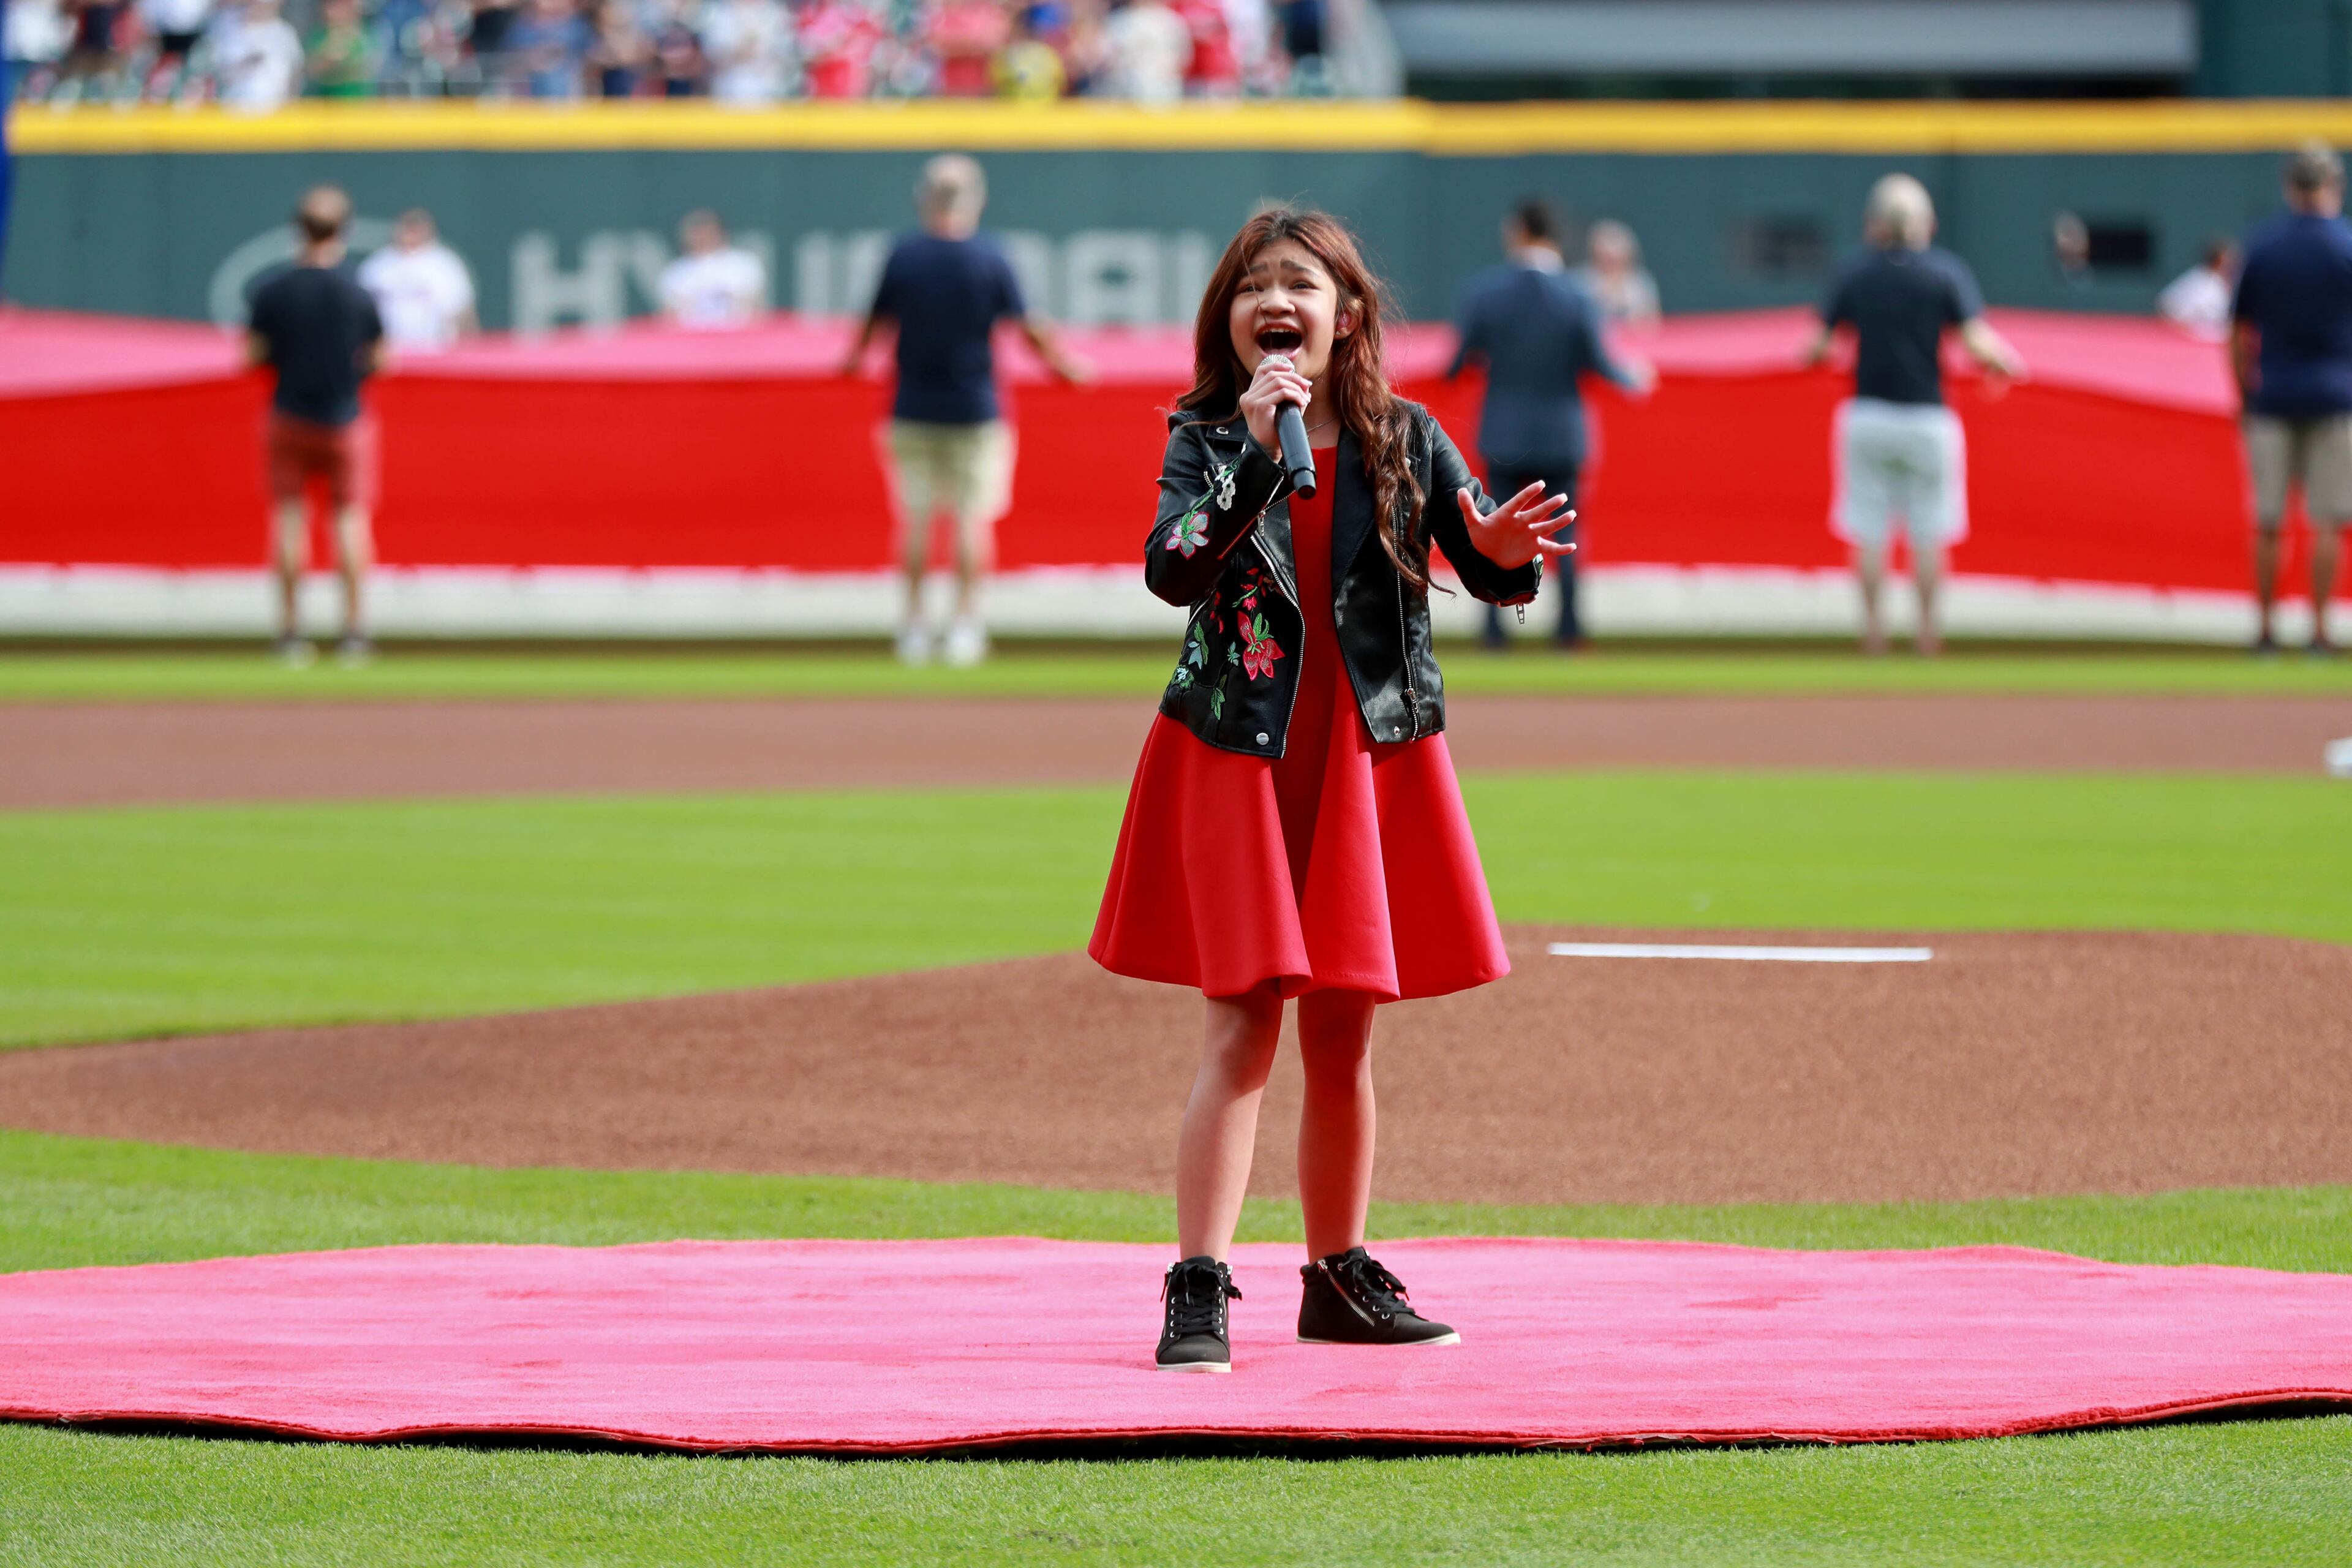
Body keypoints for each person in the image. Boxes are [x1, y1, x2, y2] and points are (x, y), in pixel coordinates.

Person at [1090, 208, 1570, 1374]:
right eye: (1253, 286)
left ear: (1345, 315)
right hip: (1238, 753)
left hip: (1358, 755)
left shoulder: (1407, 434)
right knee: (1243, 1019)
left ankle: (1337, 1274)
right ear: (1233, 324)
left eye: (1297, 282)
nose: (1275, 300)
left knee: (1344, 1030)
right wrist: (1258, 454)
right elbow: (1172, 567)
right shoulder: (1208, 434)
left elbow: (1485, 560)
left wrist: (1505, 544)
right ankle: (1198, 1286)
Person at [840, 154, 1085, 665]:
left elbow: (873, 324)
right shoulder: (990, 258)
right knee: (973, 521)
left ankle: (912, 628)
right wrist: (1064, 367)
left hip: (912, 406)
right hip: (976, 408)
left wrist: (853, 361)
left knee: (915, 520)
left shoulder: (903, 255)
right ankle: (964, 628)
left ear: (923, 198)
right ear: (975, 200)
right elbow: (1029, 326)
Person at [1801, 173, 2024, 658]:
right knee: (1930, 532)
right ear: (1926, 223)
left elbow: (1816, 347)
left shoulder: (1854, 273)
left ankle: (1874, 634)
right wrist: (2005, 359)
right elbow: (1976, 340)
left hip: (1869, 415)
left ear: (1874, 224)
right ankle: (1927, 634)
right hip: (1928, 418)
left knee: (1869, 530)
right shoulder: (1945, 273)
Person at [1449, 196, 1650, 650]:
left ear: (1516, 231)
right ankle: (1569, 629)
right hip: (1563, 433)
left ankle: (1496, 631)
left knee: (1495, 530)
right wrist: (1637, 378)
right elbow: (1601, 363)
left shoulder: (1485, 292)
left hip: (1503, 432)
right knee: (1569, 533)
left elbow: (1458, 363)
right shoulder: (1578, 295)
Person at [245, 186, 385, 666]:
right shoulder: (357, 292)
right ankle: (353, 632)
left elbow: (252, 354)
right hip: (345, 416)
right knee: (349, 519)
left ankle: (290, 632)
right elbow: (382, 356)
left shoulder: (274, 290)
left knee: (289, 517)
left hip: (288, 412)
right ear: (343, 232)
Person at [2231, 141, 2352, 655]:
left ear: (2289, 187)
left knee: (2269, 521)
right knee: (2328, 520)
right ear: (2333, 186)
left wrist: (2245, 394)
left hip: (2274, 394)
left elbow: (2239, 335)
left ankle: (2265, 631)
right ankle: (2320, 632)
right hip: (2336, 396)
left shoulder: (2263, 246)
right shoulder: (2346, 245)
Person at [358, 208, 477, 355]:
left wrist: (469, 351)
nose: (410, 234)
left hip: (434, 353)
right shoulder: (378, 265)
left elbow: (463, 312)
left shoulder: (445, 264)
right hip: (388, 354)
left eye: (416, 228)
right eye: (407, 228)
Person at [657, 209, 766, 327]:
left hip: (738, 339)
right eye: (695, 230)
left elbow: (758, 312)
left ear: (720, 231)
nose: (701, 236)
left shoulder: (744, 265)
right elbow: (669, 318)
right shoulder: (676, 272)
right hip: (691, 341)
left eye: (705, 229)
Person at [208, 0, 304, 110]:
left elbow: (296, 74)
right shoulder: (228, 32)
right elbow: (216, 74)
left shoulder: (285, 33)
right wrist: (244, 66)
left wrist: (290, 105)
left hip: (275, 112)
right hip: (235, 111)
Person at [2159, 235, 2237, 342]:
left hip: (2220, 337)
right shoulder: (2200, 280)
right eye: (2228, 258)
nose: (2232, 262)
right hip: (2199, 339)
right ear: (2219, 259)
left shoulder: (2224, 282)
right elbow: (2168, 303)